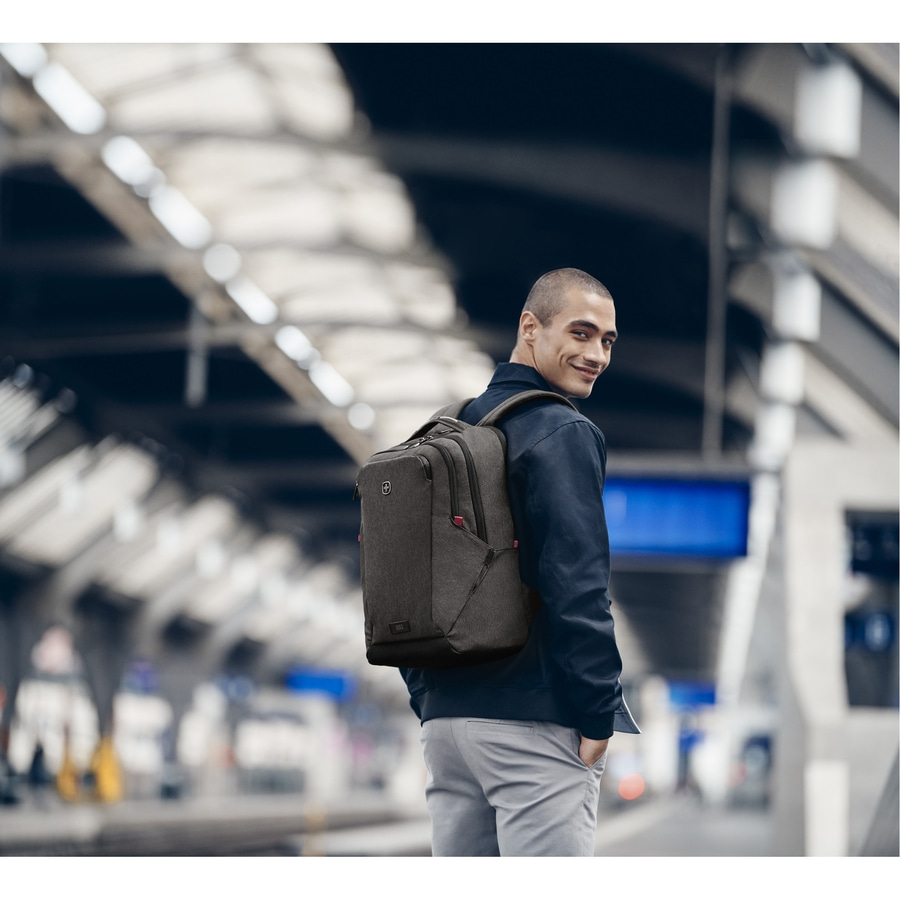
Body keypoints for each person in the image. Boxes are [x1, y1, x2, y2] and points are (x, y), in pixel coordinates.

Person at [400, 267, 639, 857]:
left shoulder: (444, 428)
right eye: (581, 333)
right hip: (530, 724)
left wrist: (430, 701)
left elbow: (401, 577)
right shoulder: (560, 430)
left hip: (449, 730)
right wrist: (596, 717)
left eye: (607, 341)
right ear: (529, 327)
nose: (597, 354)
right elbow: (579, 585)